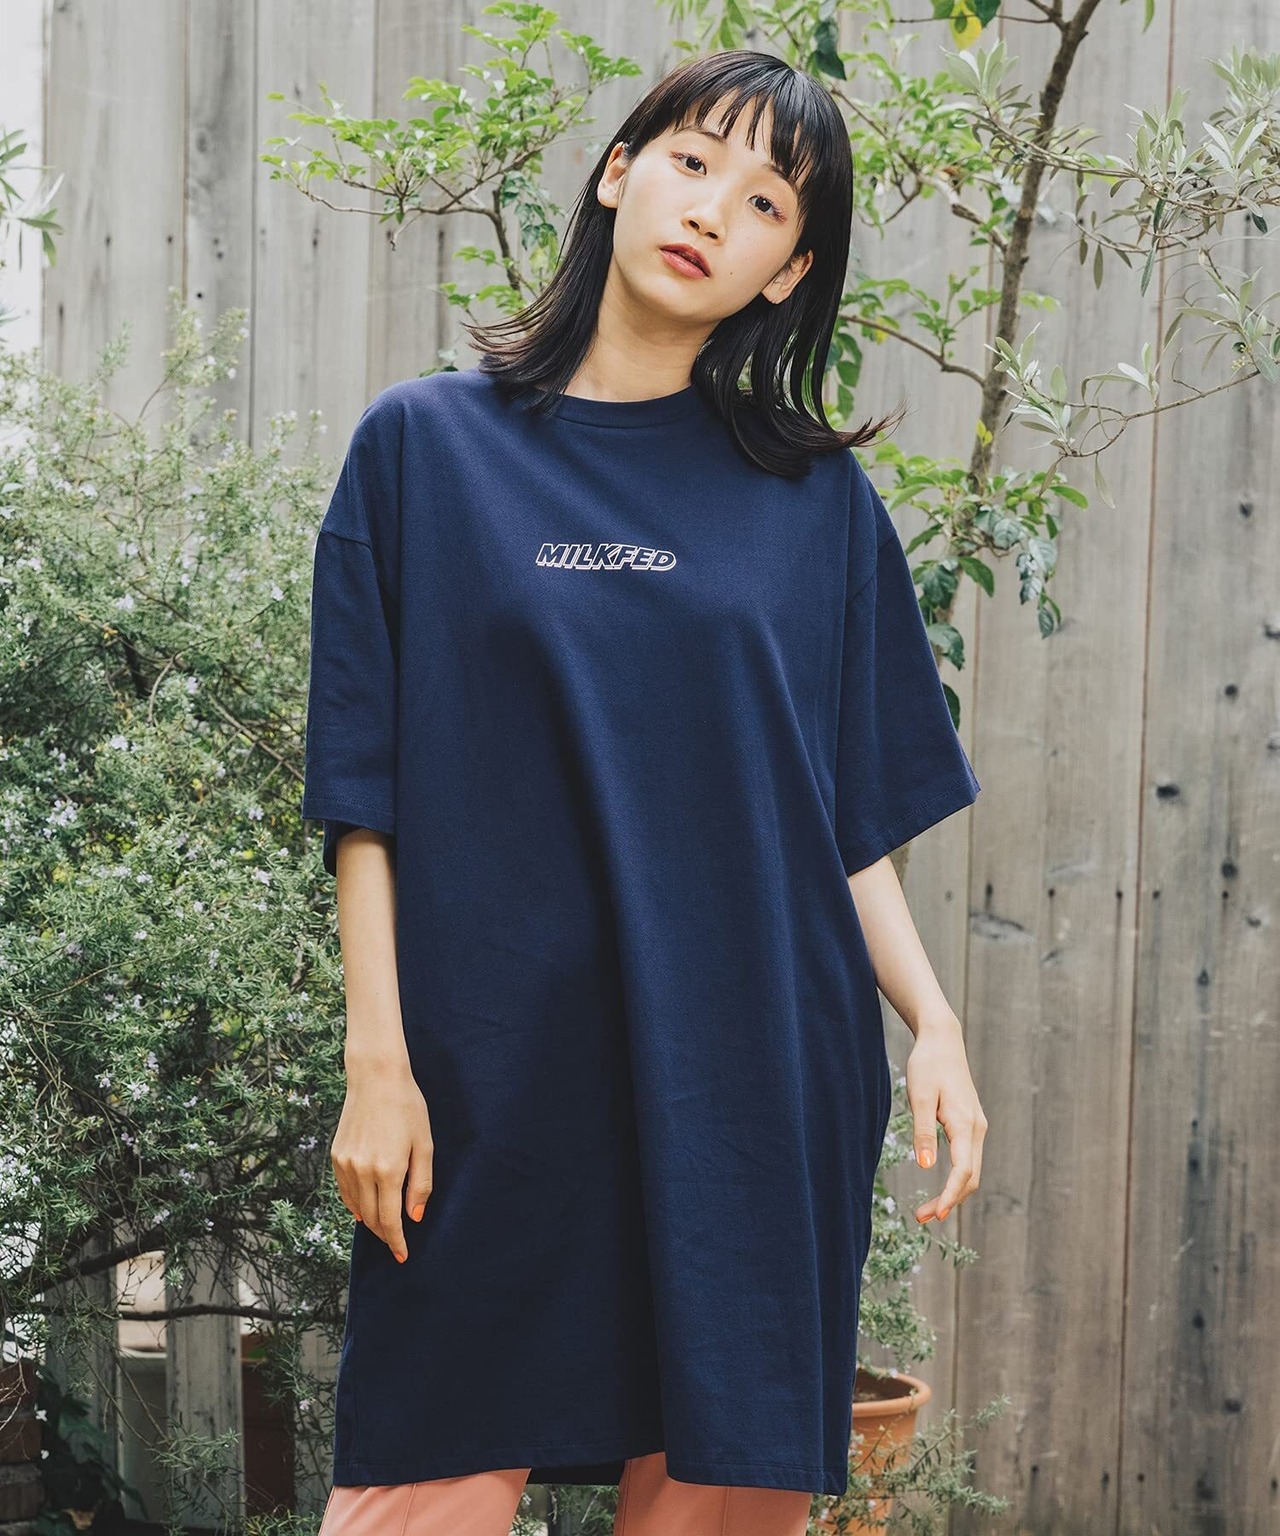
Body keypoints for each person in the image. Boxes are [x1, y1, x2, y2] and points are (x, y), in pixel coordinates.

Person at [301, 46, 989, 1536]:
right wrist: (379, 1061)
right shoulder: (421, 449)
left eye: (765, 203)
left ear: (785, 272)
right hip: (484, 1074)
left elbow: (833, 813)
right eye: (691, 161)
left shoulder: (816, 506)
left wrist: (932, 1021)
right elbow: (363, 792)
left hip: (750, 1077)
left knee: (723, 1484)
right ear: (620, 171)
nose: (712, 210)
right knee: (421, 1478)